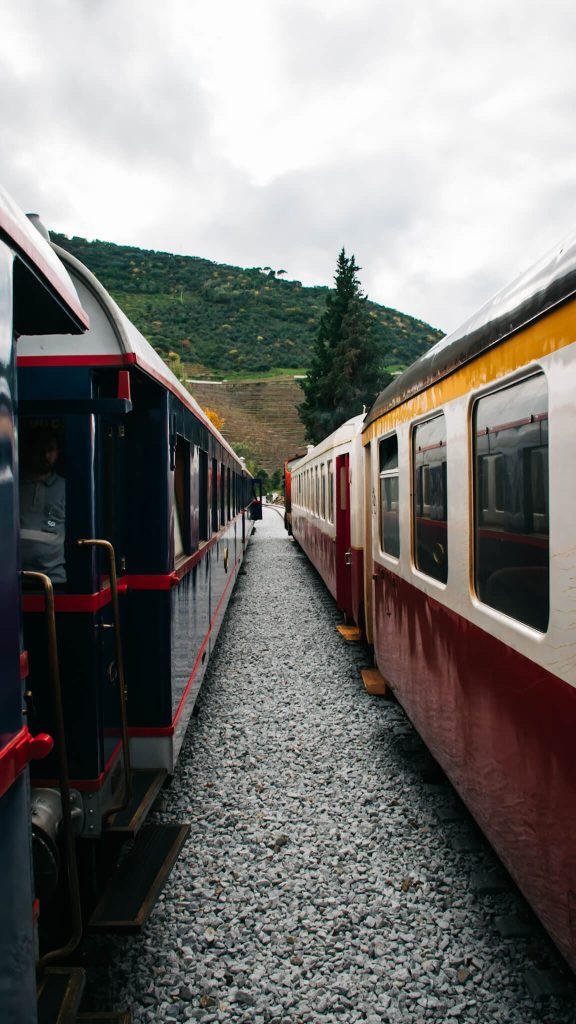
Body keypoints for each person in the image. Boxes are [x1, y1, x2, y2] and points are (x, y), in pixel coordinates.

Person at [20, 428, 66, 584]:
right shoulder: (12, 486)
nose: (45, 455)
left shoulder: (64, 487)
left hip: (54, 580)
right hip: (13, 580)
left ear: (57, 453)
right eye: (40, 449)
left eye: (50, 450)